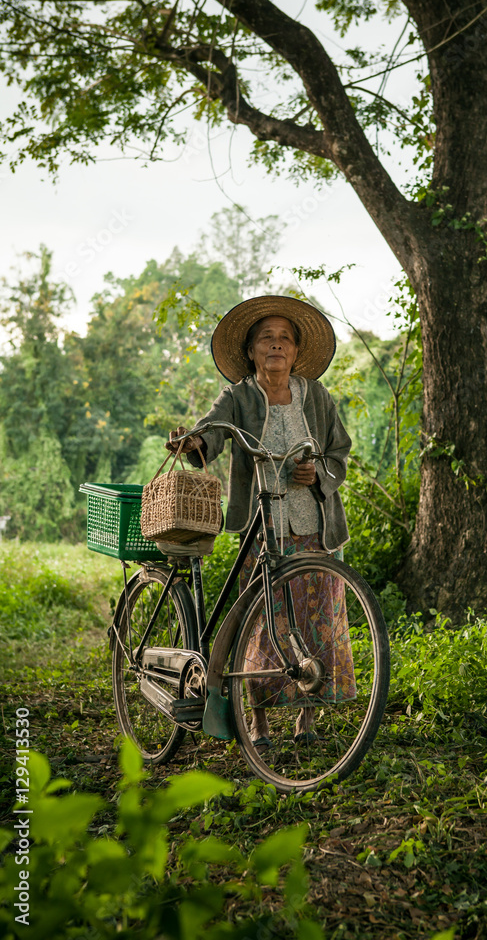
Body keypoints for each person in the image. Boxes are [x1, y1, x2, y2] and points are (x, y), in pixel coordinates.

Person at [166, 295, 354, 748]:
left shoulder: (316, 396)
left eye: (284, 339)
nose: (276, 346)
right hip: (261, 525)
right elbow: (211, 430)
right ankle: (259, 721)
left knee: (315, 624)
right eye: (266, 338)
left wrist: (319, 473)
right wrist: (191, 444)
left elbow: (339, 451)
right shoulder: (238, 396)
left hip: (314, 527)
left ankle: (306, 721)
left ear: (295, 351)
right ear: (250, 351)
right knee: (262, 622)